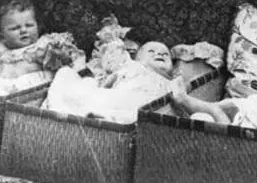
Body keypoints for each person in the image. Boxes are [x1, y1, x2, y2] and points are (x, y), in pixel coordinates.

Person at [0, 0, 84, 96]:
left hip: (31, 94)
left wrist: (58, 55)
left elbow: (58, 69)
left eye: (29, 25)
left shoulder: (42, 47)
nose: (23, 30)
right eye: (15, 28)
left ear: (37, 25)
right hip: (0, 94)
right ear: (2, 33)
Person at [42, 40, 178, 123]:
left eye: (165, 54)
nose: (159, 54)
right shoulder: (133, 66)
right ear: (138, 59)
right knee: (67, 75)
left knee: (135, 113)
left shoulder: (172, 82)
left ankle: (99, 115)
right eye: (152, 52)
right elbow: (109, 81)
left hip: (150, 103)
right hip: (127, 95)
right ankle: (99, 114)